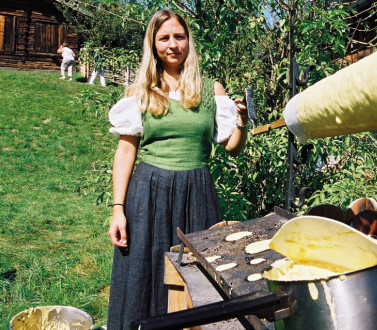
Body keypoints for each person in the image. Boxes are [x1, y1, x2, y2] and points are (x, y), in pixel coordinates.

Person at [106, 9, 248, 329]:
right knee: (143, 273)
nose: (173, 44)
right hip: (148, 194)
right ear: (153, 44)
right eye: (164, 38)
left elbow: (233, 146)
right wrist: (118, 209)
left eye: (179, 37)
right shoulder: (140, 92)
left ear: (189, 42)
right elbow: (126, 151)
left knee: (200, 279)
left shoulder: (211, 89)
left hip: (197, 192)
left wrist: (242, 120)